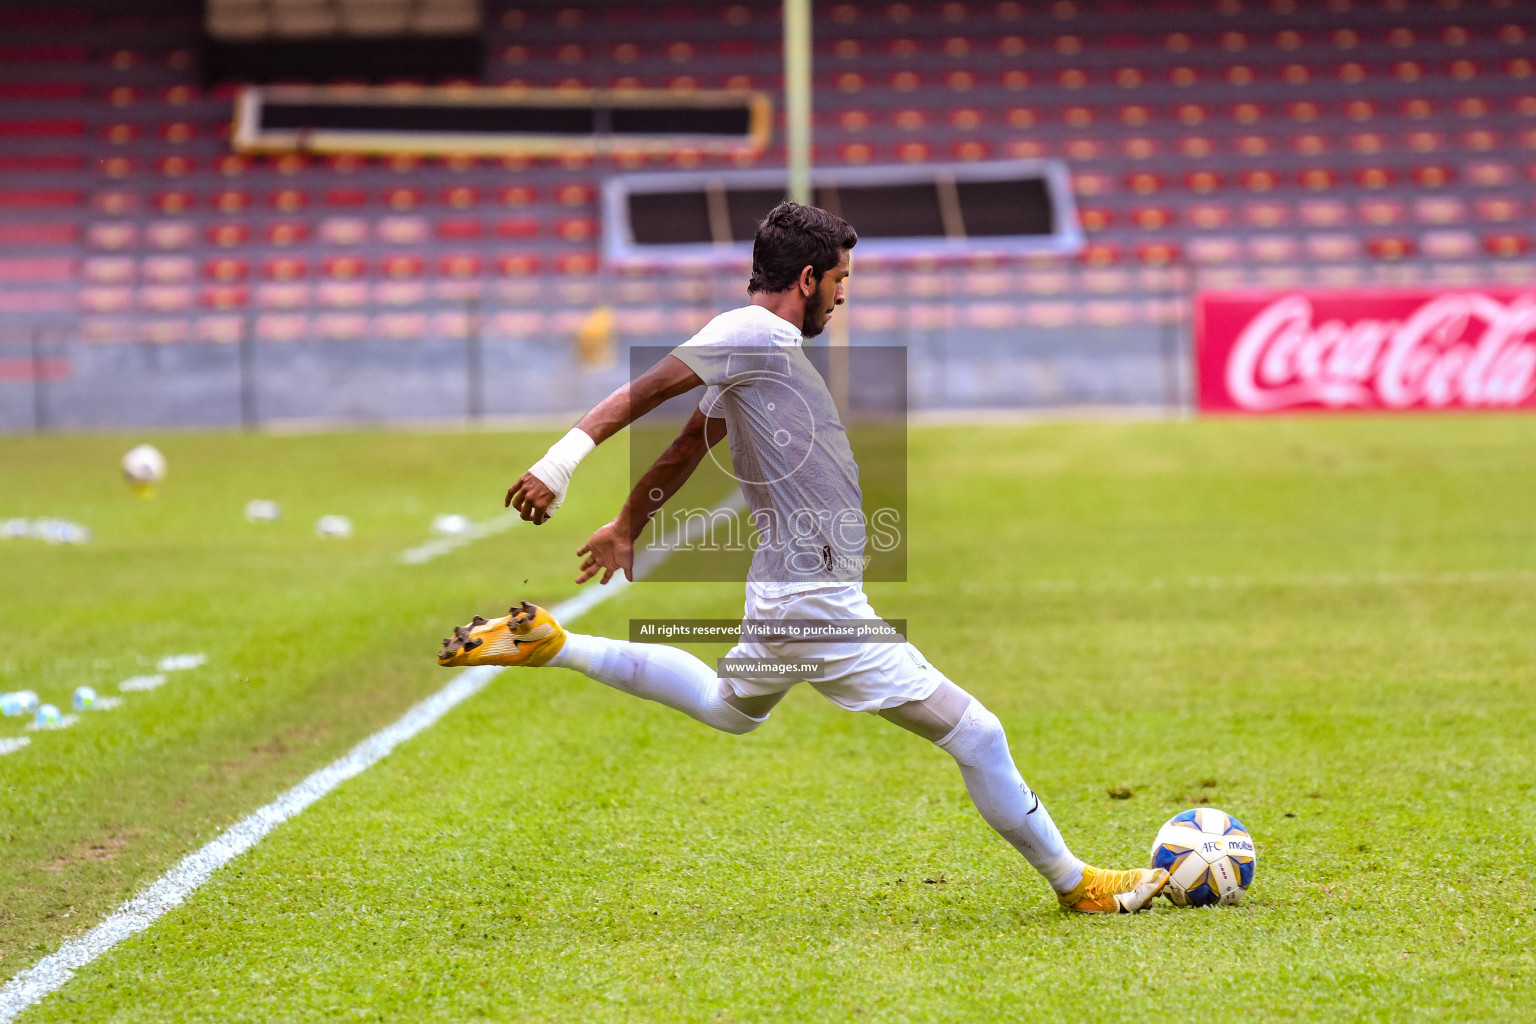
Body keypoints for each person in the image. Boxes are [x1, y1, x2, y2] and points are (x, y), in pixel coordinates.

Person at [437, 202, 1168, 913]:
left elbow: (692, 442)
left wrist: (628, 524)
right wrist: (558, 467)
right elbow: (643, 391)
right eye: (841, 280)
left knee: (729, 708)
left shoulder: (759, 350)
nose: (843, 297)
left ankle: (555, 645)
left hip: (786, 595)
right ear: (810, 276)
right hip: (816, 601)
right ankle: (1080, 885)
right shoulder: (749, 330)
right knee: (977, 733)